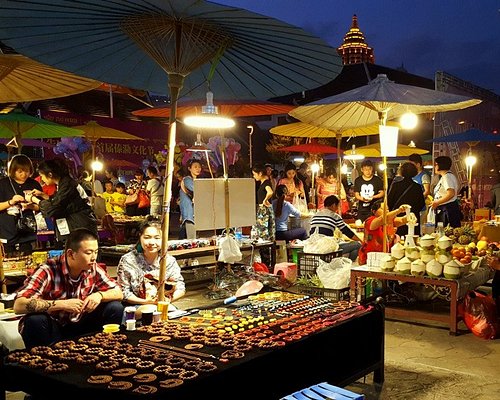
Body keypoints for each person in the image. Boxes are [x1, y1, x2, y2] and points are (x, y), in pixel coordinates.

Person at [13, 228, 124, 349]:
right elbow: (19, 305)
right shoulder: (48, 270)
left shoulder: (93, 268)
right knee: (35, 320)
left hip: (81, 324)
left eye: (96, 252)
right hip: (54, 326)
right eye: (88, 253)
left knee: (114, 307)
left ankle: (106, 349)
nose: (94, 258)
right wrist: (62, 304)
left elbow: (118, 292)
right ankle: (42, 360)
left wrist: (99, 295)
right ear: (71, 254)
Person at [25, 158, 98, 243]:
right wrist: (42, 194)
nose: (42, 179)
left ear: (50, 174)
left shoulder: (67, 184)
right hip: (78, 225)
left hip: (79, 226)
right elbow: (58, 200)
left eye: (42, 176)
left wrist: (33, 199)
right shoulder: (64, 183)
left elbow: (54, 207)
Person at [117, 219, 185, 309]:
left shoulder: (169, 261)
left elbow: (180, 287)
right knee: (150, 309)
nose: (152, 242)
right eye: (147, 237)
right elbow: (124, 292)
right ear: (140, 237)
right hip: (136, 306)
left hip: (163, 305)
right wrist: (147, 302)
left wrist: (167, 300)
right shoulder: (128, 260)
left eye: (157, 238)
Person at [0, 155, 42, 255]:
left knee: (27, 257)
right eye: (20, 171)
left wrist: (29, 206)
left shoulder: (34, 184)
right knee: (8, 257)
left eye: (27, 171)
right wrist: (11, 202)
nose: (24, 174)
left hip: (26, 227)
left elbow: (40, 206)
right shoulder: (3, 184)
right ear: (13, 170)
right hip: (6, 228)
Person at [309, 195, 362, 262]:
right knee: (357, 245)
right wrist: (361, 241)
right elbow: (347, 232)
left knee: (354, 249)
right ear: (334, 205)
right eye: (337, 206)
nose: (337, 208)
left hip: (312, 247)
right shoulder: (334, 216)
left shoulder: (315, 215)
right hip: (326, 249)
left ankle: (347, 262)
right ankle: (349, 263)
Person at [387, 162, 425, 236]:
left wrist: (396, 211)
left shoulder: (396, 185)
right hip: (413, 218)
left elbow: (389, 201)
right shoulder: (417, 187)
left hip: (398, 218)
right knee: (412, 239)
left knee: (397, 240)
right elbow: (421, 204)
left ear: (401, 171)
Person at [252, 164, 276, 267]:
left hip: (264, 212)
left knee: (264, 237)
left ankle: (266, 264)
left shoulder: (266, 182)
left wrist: (265, 200)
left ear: (260, 173)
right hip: (263, 211)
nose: (254, 176)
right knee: (263, 236)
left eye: (254, 174)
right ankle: (265, 263)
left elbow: (270, 192)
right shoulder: (264, 182)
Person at [430, 156, 462, 228]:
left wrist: (437, 202)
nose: (434, 167)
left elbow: (451, 193)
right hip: (446, 208)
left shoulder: (447, 177)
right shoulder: (447, 176)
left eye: (436, 164)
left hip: (447, 208)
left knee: (447, 232)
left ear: (440, 165)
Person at [179, 159, 202, 239]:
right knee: (191, 238)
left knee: (183, 237)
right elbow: (196, 190)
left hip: (191, 213)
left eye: (199, 167)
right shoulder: (187, 179)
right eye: (195, 167)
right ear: (189, 168)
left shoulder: (194, 180)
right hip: (189, 212)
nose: (198, 169)